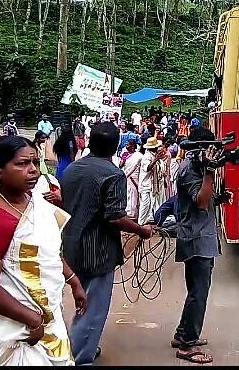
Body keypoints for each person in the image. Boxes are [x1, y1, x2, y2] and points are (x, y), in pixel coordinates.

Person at [0, 135, 86, 366]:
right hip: (13, 330)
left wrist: (73, 281)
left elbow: (47, 252)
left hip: (44, 318)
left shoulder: (34, 202)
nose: (33, 170)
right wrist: (32, 320)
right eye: (22, 164)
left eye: (34, 162)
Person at [60, 122, 155, 365]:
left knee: (81, 300)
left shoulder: (72, 168)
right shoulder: (113, 174)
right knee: (93, 308)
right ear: (116, 146)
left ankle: (82, 346)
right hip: (97, 250)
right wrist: (141, 230)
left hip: (71, 246)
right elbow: (115, 216)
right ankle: (82, 358)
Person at [171, 127, 234, 364]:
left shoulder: (194, 166)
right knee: (199, 293)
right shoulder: (190, 169)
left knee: (195, 292)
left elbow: (206, 200)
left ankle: (182, 334)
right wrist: (209, 172)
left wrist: (220, 197)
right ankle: (187, 346)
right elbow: (200, 202)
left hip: (200, 236)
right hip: (196, 238)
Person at [138, 137, 168, 225]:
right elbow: (147, 168)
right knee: (145, 204)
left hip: (153, 184)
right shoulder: (147, 157)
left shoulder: (153, 155)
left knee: (153, 203)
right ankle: (141, 222)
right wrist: (156, 159)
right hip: (146, 184)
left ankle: (153, 219)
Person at [121, 140, 143, 220]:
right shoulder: (126, 154)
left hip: (134, 178)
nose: (126, 146)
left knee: (134, 195)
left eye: (128, 145)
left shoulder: (139, 156)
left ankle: (134, 214)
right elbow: (120, 166)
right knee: (127, 195)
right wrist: (123, 158)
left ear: (133, 146)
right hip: (126, 177)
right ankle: (127, 212)